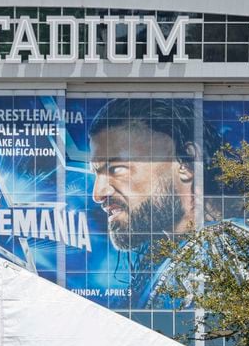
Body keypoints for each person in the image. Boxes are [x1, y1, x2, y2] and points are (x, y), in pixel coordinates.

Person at [85, 97, 202, 306]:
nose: (98, 193)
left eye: (116, 168)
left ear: (186, 163)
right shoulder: (164, 265)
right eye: (96, 174)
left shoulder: (234, 249)